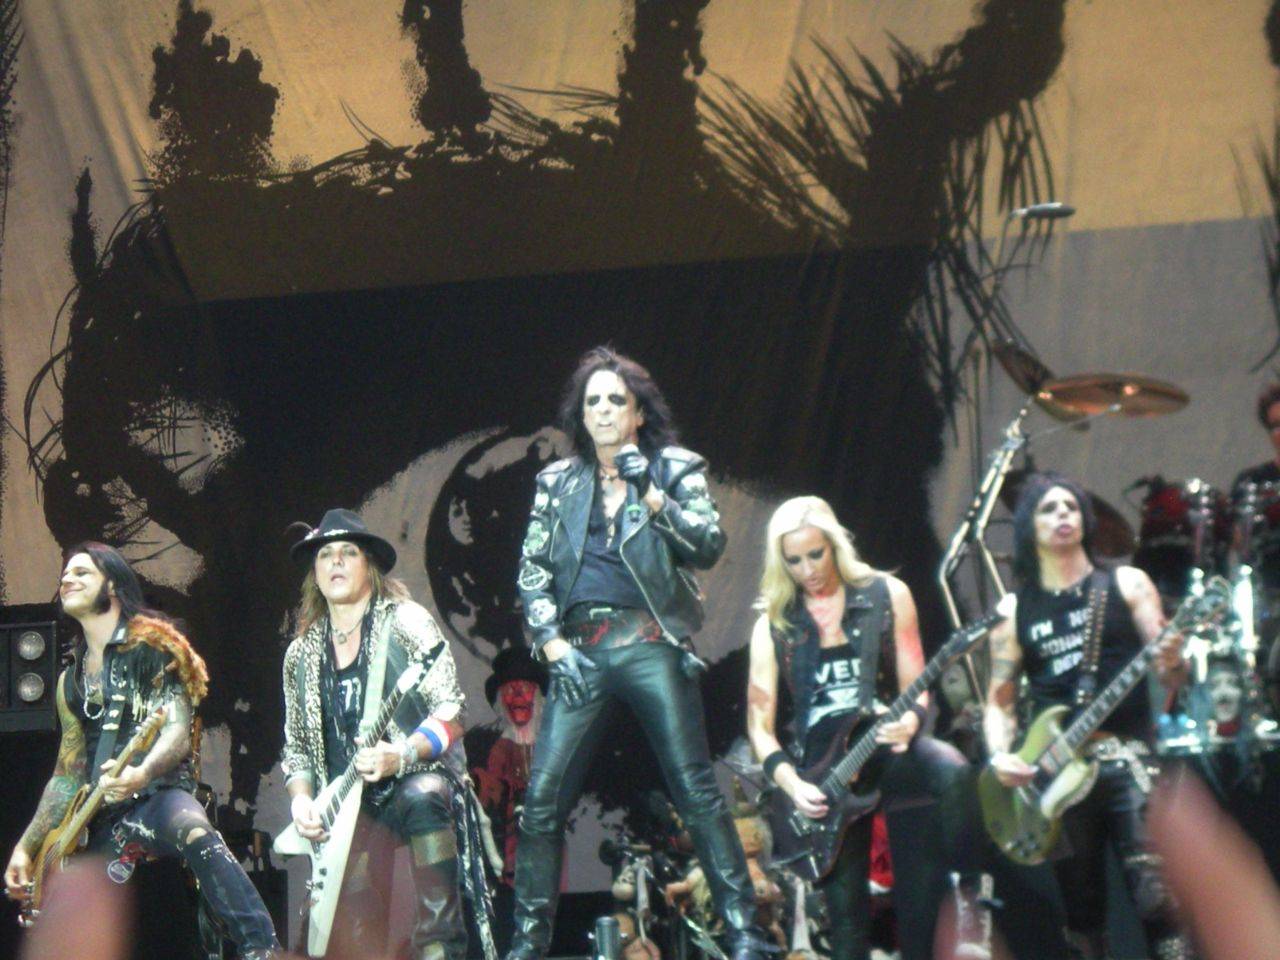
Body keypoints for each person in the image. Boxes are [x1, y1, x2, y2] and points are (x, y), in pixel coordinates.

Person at [508, 345, 772, 960]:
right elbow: (532, 571)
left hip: (650, 643)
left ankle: (745, 934)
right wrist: (551, 644)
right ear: (582, 414)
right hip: (579, 650)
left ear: (638, 413)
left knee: (697, 792)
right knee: (541, 804)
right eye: (593, 401)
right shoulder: (557, 482)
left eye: (615, 400)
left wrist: (651, 492)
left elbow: (707, 545)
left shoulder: (673, 468)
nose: (603, 409)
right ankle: (526, 947)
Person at [2, 542, 280, 959]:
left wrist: (142, 772)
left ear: (112, 585)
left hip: (156, 794)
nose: (67, 579)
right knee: (72, 918)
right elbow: (67, 772)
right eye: (65, 574)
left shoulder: (153, 648)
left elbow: (176, 730)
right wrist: (27, 846)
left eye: (82, 572)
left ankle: (263, 948)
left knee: (193, 829)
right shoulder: (68, 681)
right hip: (99, 817)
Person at [745, 496, 991, 960]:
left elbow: (916, 685)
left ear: (835, 545)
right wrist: (793, 785)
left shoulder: (886, 594)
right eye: (794, 560)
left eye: (815, 554)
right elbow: (760, 728)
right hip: (823, 777)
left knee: (953, 770)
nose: (807, 569)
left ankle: (973, 899)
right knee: (846, 921)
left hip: (884, 747)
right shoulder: (773, 625)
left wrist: (911, 720)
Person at [984, 472, 1191, 959]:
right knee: (1081, 911)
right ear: (1028, 527)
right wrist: (999, 756)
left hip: (1126, 757)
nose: (1063, 514)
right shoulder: (1014, 611)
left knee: (1156, 895)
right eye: (1049, 508)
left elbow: (1172, 676)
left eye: (1071, 507)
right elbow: (999, 701)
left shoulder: (1126, 583)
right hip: (1054, 777)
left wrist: (1173, 660)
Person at [281, 509, 469, 960]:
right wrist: (301, 801)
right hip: (347, 806)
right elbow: (297, 748)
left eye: (348, 552)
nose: (336, 562)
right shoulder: (301, 654)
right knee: (354, 931)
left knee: (424, 794)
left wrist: (401, 755)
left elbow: (453, 713)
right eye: (325, 554)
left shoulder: (405, 622)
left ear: (369, 566)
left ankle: (441, 949)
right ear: (315, 573)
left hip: (409, 779)